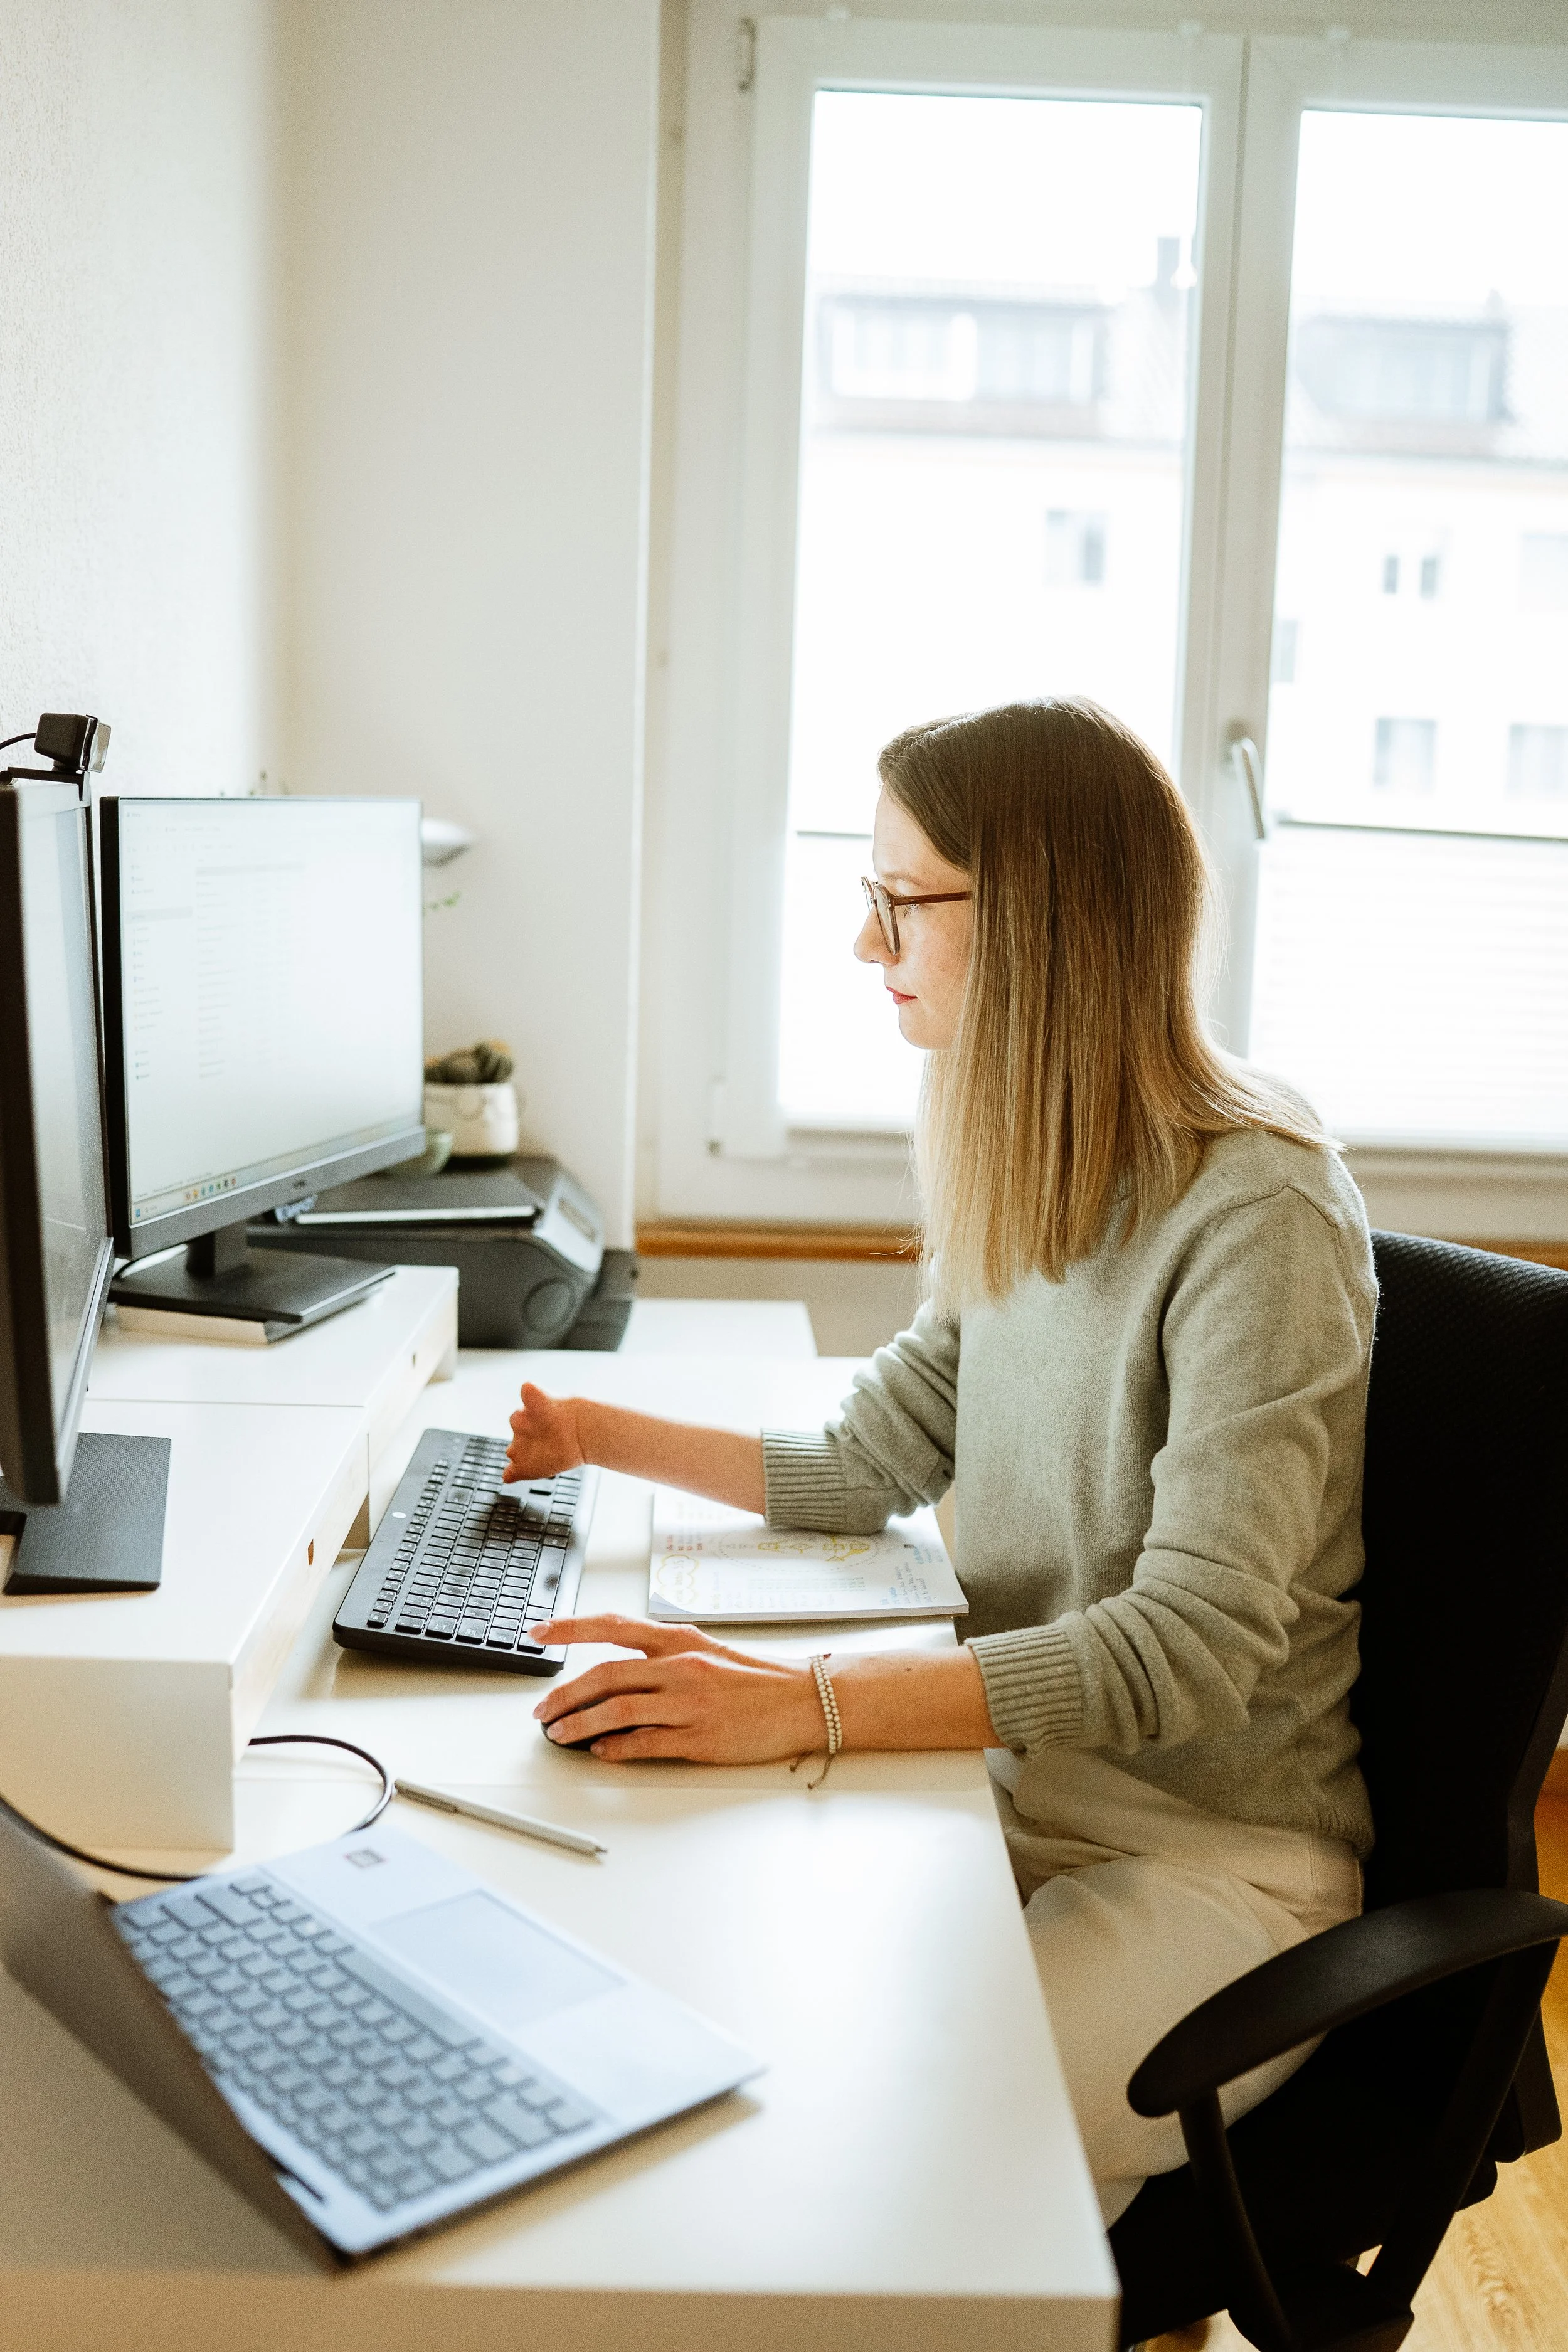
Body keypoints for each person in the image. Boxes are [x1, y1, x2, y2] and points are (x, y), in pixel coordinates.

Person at [511, 697, 1375, 2224]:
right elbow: (863, 1466)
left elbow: (1183, 1651)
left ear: (1039, 919)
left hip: (1212, 1860)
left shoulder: (1258, 1210)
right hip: (1015, 1794)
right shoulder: (1030, 1143)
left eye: (897, 902)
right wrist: (586, 1434)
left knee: (889, 2146)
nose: (866, 946)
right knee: (702, 1992)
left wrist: (796, 1706)